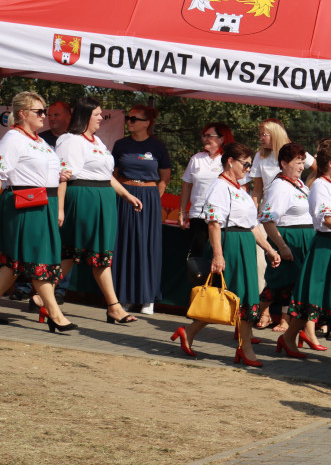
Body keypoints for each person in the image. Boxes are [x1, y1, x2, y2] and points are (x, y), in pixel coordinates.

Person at [170, 142, 281, 365]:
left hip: (246, 244)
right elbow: (213, 223)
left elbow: (252, 226)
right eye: (245, 164)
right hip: (229, 244)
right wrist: (218, 255)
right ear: (230, 161)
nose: (248, 169)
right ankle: (237, 346)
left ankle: (202, 336)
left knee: (246, 298)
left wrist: (269, 249)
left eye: (250, 165)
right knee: (224, 295)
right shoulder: (219, 187)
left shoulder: (241, 189)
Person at [56, 97, 143, 325]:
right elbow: (63, 176)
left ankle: (42, 295)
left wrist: (126, 194)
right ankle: (114, 307)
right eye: (96, 114)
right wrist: (60, 208)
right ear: (85, 116)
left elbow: (106, 176)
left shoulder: (96, 141)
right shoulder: (70, 140)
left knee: (82, 253)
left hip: (103, 199)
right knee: (86, 253)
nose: (100, 119)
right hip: (83, 198)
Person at [0, 91, 76, 331]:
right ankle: (54, 313)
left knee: (16, 264)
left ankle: (51, 310)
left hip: (46, 202)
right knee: (37, 260)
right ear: (22, 114)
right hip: (25, 204)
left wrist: (58, 175)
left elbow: (41, 169)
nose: (44, 115)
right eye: (39, 111)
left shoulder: (38, 140)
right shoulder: (13, 138)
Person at [276, 139, 331, 353]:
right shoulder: (320, 186)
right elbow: (329, 219)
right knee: (312, 300)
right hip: (327, 247)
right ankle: (288, 338)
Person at [257, 142, 321, 351]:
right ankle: (247, 322)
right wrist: (281, 246)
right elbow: (267, 219)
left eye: (303, 162)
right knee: (277, 285)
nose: (302, 166)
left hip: (305, 238)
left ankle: (303, 332)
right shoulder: (280, 186)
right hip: (289, 239)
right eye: (297, 162)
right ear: (284, 163)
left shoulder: (299, 184)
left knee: (298, 288)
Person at [112, 104, 171, 315]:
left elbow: (164, 178)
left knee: (147, 246)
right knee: (124, 244)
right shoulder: (121, 144)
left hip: (149, 197)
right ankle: (124, 297)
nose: (129, 121)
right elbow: (114, 174)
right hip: (124, 195)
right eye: (128, 118)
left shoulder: (158, 146)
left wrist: (153, 198)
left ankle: (148, 298)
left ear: (147, 123)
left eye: (133, 118)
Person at [178, 122, 234, 258]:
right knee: (197, 259)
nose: (205, 139)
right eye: (203, 135)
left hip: (222, 219)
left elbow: (242, 188)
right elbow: (186, 185)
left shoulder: (230, 160)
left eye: (209, 136)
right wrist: (182, 211)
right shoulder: (196, 158)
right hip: (198, 216)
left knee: (219, 257)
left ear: (222, 139)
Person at [251, 119, 314, 208]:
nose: (260, 138)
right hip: (269, 209)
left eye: (263, 134)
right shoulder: (260, 156)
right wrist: (253, 213)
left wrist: (308, 188)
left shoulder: (294, 151)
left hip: (294, 208)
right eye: (260, 134)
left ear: (275, 134)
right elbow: (257, 190)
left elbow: (319, 169)